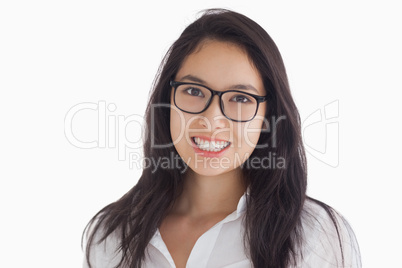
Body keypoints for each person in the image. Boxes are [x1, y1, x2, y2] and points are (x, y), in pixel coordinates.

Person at [82, 8, 361, 268]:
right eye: (193, 91)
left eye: (240, 98)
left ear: (268, 115)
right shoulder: (111, 234)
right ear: (167, 101)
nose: (212, 120)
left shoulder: (317, 236)